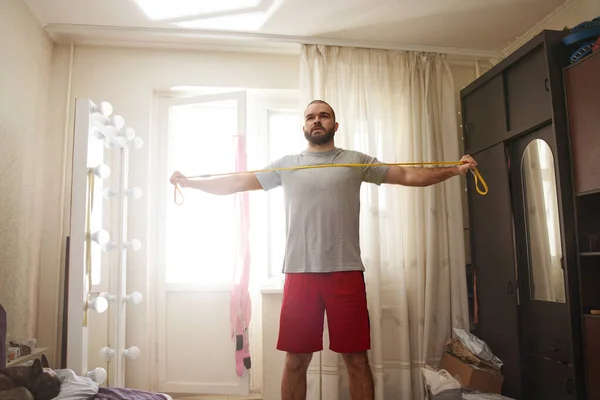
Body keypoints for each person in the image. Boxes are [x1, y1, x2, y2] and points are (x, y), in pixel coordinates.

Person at [170, 100, 477, 400]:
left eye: (324, 116)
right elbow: (238, 182)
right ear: (303, 125)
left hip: (345, 273)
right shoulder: (286, 165)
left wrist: (454, 170)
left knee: (356, 360)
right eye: (310, 117)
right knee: (295, 362)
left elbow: (407, 175)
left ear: (335, 124)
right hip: (299, 273)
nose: (317, 120)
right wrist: (193, 184)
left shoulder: (355, 160)